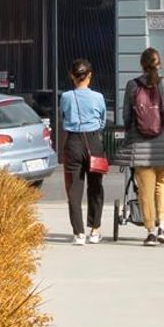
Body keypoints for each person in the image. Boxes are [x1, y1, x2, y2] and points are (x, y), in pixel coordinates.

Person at [119, 46, 164, 244]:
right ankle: (163, 227)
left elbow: (126, 117)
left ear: (142, 64)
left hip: (140, 147)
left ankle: (150, 232)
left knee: (145, 189)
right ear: (159, 64)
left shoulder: (132, 86)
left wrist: (131, 131)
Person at [54, 59, 111, 246]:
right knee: (95, 187)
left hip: (73, 142)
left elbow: (63, 117)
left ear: (72, 76)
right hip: (93, 141)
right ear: (90, 75)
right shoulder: (98, 97)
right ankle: (94, 230)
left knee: (74, 189)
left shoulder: (66, 97)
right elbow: (102, 120)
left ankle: (79, 233)